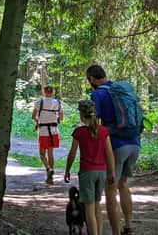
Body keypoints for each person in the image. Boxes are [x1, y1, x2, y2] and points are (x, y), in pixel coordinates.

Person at [87, 65, 140, 235]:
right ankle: (129, 225)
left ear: (92, 79)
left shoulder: (98, 94)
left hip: (116, 146)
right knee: (123, 184)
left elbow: (94, 123)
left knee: (110, 189)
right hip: (134, 143)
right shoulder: (121, 90)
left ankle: (116, 232)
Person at [65, 100, 116, 235]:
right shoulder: (103, 131)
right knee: (97, 205)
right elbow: (109, 152)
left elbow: (72, 153)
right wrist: (111, 172)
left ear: (81, 115)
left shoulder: (79, 132)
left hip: (87, 172)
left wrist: (67, 170)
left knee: (89, 208)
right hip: (101, 172)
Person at [32, 85, 64, 184]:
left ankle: (48, 169)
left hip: (43, 131)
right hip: (54, 131)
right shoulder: (58, 103)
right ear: (53, 92)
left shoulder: (39, 102)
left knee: (42, 154)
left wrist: (37, 122)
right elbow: (61, 118)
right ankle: (51, 175)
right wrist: (55, 119)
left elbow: (33, 116)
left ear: (44, 92)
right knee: (51, 153)